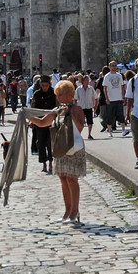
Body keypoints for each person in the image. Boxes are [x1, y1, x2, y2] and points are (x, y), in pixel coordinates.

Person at [28, 80, 87, 224]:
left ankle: (75, 211)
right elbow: (43, 122)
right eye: (57, 95)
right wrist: (29, 116)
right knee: (63, 178)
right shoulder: (57, 110)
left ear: (68, 94)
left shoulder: (77, 109)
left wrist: (70, 113)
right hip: (61, 147)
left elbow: (79, 128)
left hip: (74, 147)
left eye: (60, 95)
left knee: (72, 179)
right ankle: (67, 211)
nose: (58, 98)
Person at [31, 75, 57, 173]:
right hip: (40, 122)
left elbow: (57, 106)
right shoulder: (37, 94)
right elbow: (33, 108)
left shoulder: (53, 93)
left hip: (51, 122)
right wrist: (32, 121)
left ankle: (51, 162)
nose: (45, 87)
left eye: (46, 85)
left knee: (50, 143)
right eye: (43, 86)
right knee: (41, 143)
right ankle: (44, 163)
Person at [102, 61, 125, 137]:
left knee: (121, 114)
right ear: (109, 67)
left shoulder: (119, 76)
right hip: (111, 99)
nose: (114, 67)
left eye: (115, 65)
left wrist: (123, 97)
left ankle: (123, 130)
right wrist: (107, 98)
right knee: (110, 115)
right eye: (112, 65)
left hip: (119, 98)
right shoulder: (107, 76)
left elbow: (122, 86)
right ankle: (109, 130)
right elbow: (105, 88)